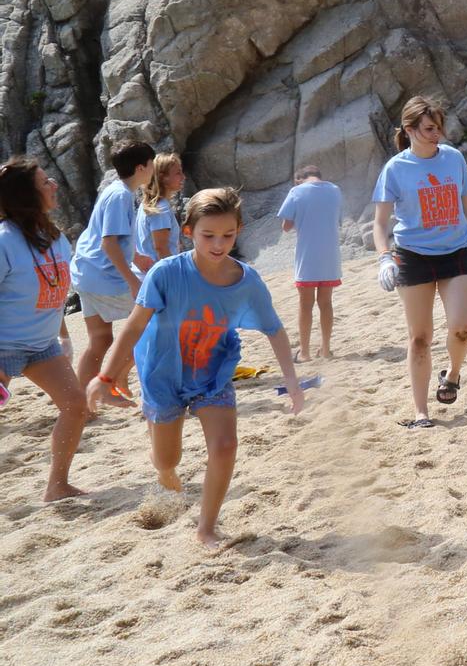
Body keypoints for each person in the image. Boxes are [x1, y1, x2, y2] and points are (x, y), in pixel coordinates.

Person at [87, 187, 304, 546]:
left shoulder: (246, 281)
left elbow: (275, 330)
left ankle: (207, 528)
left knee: (225, 445)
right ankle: (165, 472)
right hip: (162, 373)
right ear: (188, 231)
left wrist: (292, 382)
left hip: (212, 373)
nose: (219, 244)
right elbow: (134, 326)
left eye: (228, 235)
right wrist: (106, 376)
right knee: (167, 458)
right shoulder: (165, 273)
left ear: (239, 230)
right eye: (208, 235)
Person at [373, 96, 467, 426]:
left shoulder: (453, 159)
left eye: (439, 128)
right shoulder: (395, 169)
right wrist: (385, 259)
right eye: (430, 128)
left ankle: (453, 374)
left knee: (462, 329)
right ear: (410, 129)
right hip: (413, 257)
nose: (438, 135)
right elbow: (379, 223)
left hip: (456, 252)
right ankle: (421, 412)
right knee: (420, 337)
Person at [0, 157, 88, 502]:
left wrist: (63, 335)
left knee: (76, 405)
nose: (53, 185)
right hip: (3, 346)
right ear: (26, 195)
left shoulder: (56, 238)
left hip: (41, 346)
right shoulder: (4, 242)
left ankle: (57, 486)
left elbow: (55, 294)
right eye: (44, 182)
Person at [71, 140, 155, 394]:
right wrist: (133, 281)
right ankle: (117, 376)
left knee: (100, 339)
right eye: (152, 164)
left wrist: (136, 256)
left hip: (85, 273)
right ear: (141, 167)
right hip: (102, 277)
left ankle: (79, 403)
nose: (154, 168)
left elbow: (111, 238)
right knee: (152, 321)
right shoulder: (121, 196)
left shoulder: (113, 189)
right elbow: (109, 244)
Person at [277, 166, 344, 361]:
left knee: (305, 304)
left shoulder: (296, 192)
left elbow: (286, 226)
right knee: (326, 302)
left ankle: (304, 352)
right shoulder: (335, 190)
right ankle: (325, 349)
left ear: (299, 179)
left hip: (308, 255)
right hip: (330, 254)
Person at [133, 153, 185, 273]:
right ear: (163, 177)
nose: (183, 177)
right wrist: (173, 277)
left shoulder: (148, 204)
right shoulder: (160, 208)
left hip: (146, 274)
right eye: (178, 173)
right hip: (157, 275)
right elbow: (161, 248)